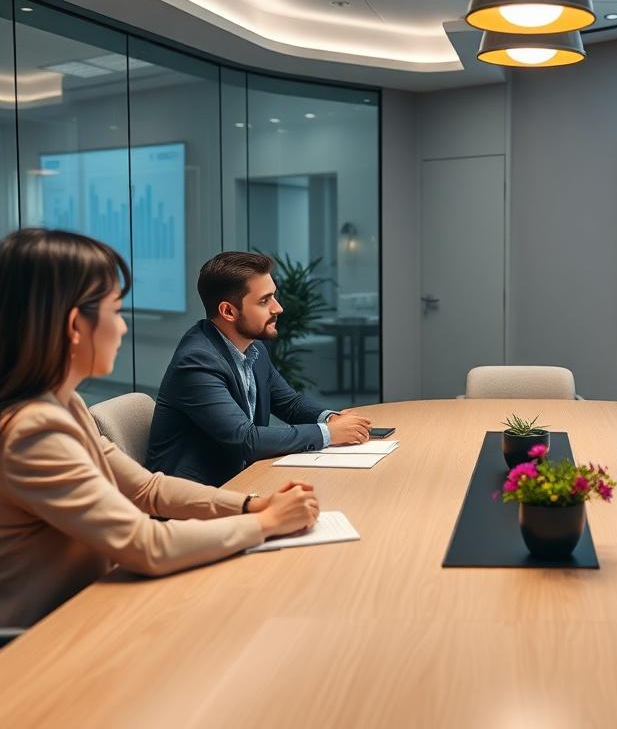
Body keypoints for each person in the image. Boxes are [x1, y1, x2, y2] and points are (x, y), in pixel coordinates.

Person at [0, 229, 320, 629]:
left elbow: (147, 489)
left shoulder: (65, 405)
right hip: (44, 641)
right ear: (74, 326)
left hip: (92, 608)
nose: (123, 328)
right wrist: (267, 524)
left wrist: (251, 505)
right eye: (116, 311)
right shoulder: (34, 431)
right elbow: (145, 545)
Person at [146, 251, 371, 487]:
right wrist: (329, 433)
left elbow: (289, 403)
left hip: (238, 482)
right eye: (265, 301)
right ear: (228, 311)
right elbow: (246, 440)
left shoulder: (254, 349)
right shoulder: (196, 362)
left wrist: (333, 418)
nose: (278, 308)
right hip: (192, 500)